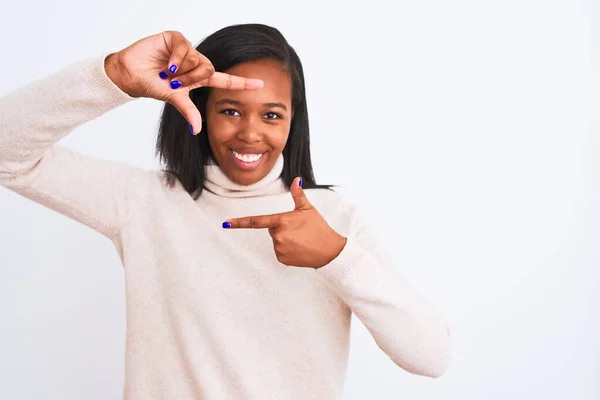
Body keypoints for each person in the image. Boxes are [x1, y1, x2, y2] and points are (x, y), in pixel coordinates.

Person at [0, 24, 451, 399]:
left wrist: (337, 257)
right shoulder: (143, 202)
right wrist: (112, 76)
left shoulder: (334, 219)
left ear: (294, 122)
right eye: (231, 110)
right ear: (198, 108)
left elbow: (430, 357)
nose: (250, 133)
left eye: (272, 115)